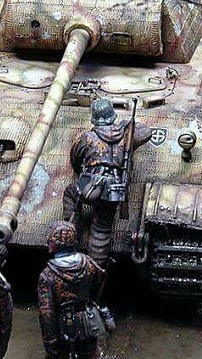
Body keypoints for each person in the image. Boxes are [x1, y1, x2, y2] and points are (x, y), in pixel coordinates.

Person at [63, 98, 152, 267]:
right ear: (113, 116)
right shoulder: (126, 136)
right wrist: (127, 125)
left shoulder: (88, 137)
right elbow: (146, 132)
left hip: (90, 184)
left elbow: (75, 158)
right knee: (102, 228)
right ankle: (96, 267)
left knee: (70, 193)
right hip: (113, 189)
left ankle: (69, 230)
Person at [38, 220, 108, 359]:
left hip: (62, 324)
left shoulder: (47, 275)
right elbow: (100, 279)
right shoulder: (88, 263)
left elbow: (46, 312)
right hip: (86, 319)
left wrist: (49, 339)